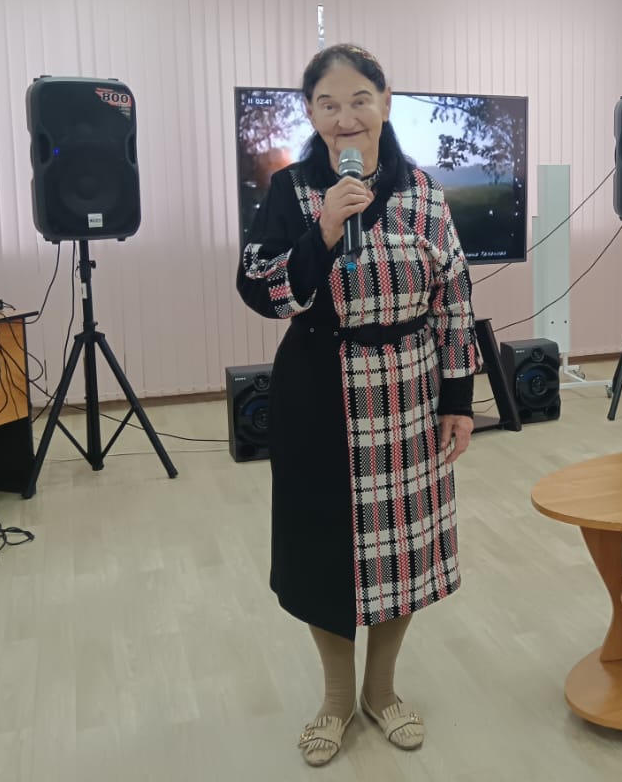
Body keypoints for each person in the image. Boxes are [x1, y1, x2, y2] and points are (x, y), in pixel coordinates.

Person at [236, 43, 478, 767]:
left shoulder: (425, 193)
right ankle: (337, 699)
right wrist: (323, 233)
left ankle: (382, 690)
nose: (346, 118)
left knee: (401, 548)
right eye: (328, 104)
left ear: (385, 102)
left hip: (409, 388)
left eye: (359, 101)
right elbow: (261, 290)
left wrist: (458, 398)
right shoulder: (291, 191)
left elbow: (454, 297)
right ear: (312, 114)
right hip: (320, 390)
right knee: (325, 552)